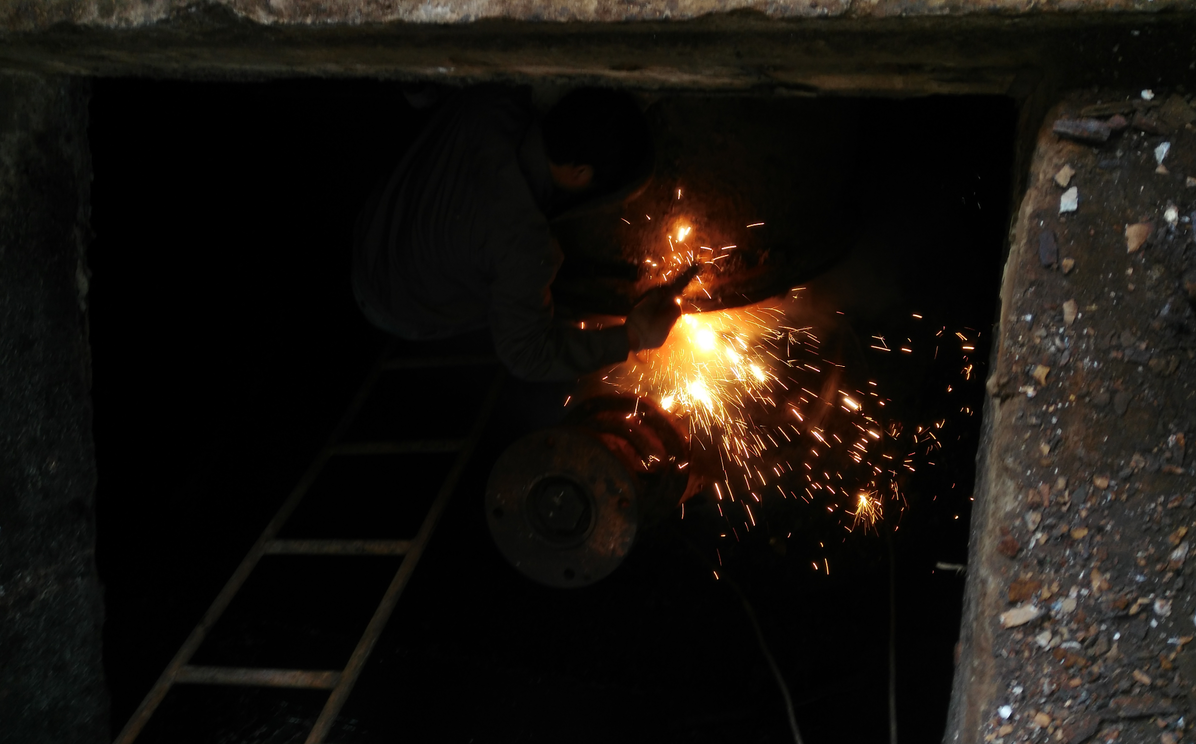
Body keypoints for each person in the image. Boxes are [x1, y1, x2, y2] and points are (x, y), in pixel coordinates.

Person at [351, 85, 682, 381]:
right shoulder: (526, 248)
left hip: (374, 229)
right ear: (580, 173)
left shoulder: (496, 98)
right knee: (540, 307)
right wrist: (633, 337)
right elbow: (527, 354)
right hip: (390, 301)